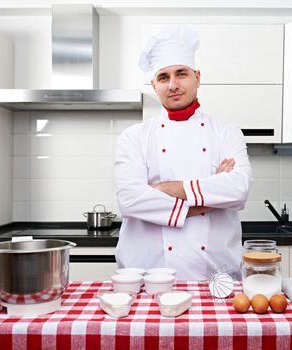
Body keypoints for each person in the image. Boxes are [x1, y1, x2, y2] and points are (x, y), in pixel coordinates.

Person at [114, 25, 253, 280]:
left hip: (217, 278)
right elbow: (130, 200)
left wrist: (163, 189)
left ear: (197, 77)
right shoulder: (134, 137)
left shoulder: (226, 132)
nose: (173, 85)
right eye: (164, 77)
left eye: (181, 74)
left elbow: (238, 189)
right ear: (153, 85)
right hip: (148, 277)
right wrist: (206, 201)